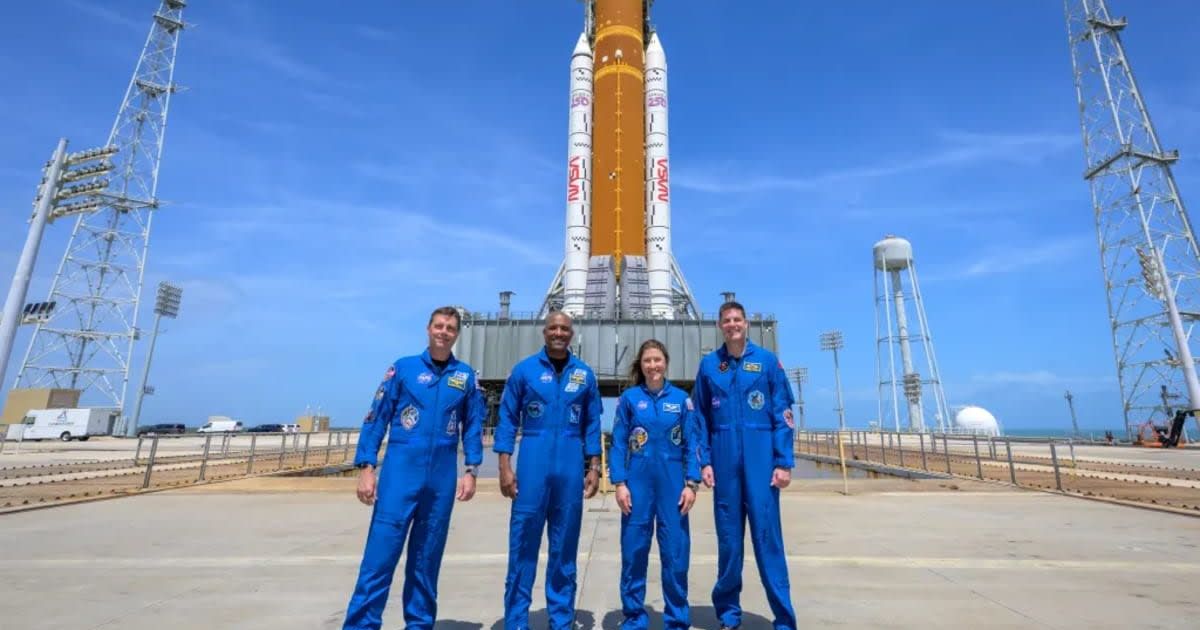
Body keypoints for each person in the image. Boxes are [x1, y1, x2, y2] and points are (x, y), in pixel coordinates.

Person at [342, 306, 485, 630]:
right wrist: (367, 466)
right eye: (439, 326)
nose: (444, 332)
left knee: (426, 561)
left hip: (440, 480)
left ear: (457, 334)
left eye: (450, 328)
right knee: (379, 558)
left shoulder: (465, 377)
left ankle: (419, 624)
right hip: (400, 474)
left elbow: (473, 426)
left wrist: (471, 470)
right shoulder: (403, 369)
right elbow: (376, 417)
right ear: (428, 329)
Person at [692, 301, 798, 630]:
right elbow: (700, 419)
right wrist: (704, 462)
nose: (732, 325)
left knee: (768, 541)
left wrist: (784, 462)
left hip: (761, 461)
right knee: (729, 543)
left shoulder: (767, 362)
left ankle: (784, 619)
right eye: (727, 320)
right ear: (719, 325)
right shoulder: (710, 366)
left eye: (737, 319)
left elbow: (783, 414)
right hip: (724, 463)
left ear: (746, 323)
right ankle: (728, 615)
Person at [494, 310, 603, 630]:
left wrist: (594, 466)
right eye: (553, 328)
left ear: (572, 334)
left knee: (564, 549)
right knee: (522, 547)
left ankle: (561, 620)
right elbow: (507, 420)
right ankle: (516, 621)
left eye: (564, 329)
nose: (559, 333)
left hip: (570, 467)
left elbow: (592, 423)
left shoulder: (584, 374)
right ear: (544, 332)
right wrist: (504, 466)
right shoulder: (524, 371)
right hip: (532, 464)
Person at [609, 339, 703, 630]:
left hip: (672, 486)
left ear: (666, 363)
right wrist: (619, 483)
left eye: (657, 360)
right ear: (641, 365)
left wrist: (692, 484)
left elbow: (692, 444)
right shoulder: (629, 399)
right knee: (634, 552)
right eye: (647, 360)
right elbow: (618, 443)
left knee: (675, 553)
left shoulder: (682, 400)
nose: (653, 366)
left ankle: (676, 619)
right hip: (637, 484)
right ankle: (634, 616)